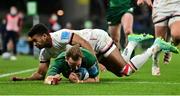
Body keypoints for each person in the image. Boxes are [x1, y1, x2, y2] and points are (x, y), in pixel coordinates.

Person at [11, 23, 178, 81]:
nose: (34, 44)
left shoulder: (60, 36)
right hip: (91, 51)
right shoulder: (44, 53)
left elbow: (83, 42)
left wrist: (96, 61)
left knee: (126, 71)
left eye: (35, 40)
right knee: (120, 73)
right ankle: (132, 43)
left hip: (96, 40)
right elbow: (41, 73)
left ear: (45, 35)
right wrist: (23, 79)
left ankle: (154, 46)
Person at [151, 0, 180, 76]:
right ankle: (155, 63)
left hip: (177, 4)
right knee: (159, 42)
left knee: (177, 35)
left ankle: (171, 45)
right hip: (161, 5)